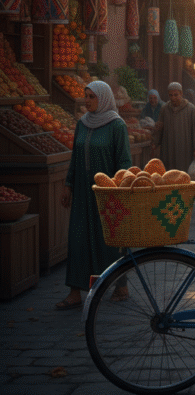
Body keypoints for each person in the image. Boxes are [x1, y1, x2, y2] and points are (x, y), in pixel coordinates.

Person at [55, 81, 133, 311]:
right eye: (85, 96)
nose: (87, 100)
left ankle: (120, 285)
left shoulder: (116, 126)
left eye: (92, 96)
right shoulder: (82, 124)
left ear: (104, 98)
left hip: (107, 194)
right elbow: (75, 157)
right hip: (81, 193)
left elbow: (125, 162)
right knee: (78, 240)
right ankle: (75, 292)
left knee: (110, 240)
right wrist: (68, 184)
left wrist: (120, 189)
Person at [153, 82, 195, 172]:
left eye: (176, 95)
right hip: (168, 147)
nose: (173, 98)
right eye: (171, 95)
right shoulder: (164, 109)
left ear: (181, 94)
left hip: (185, 148)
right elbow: (160, 128)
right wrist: (155, 143)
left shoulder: (191, 109)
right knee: (169, 173)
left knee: (184, 172)